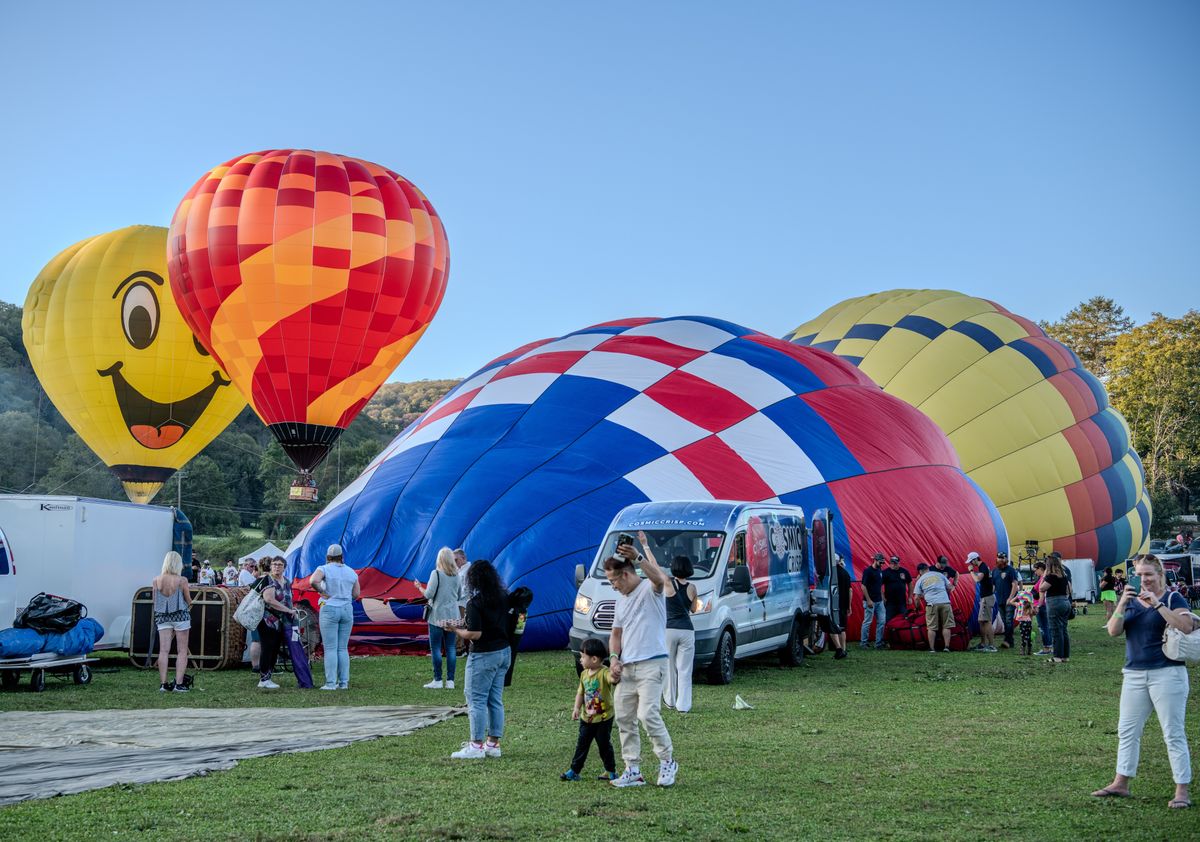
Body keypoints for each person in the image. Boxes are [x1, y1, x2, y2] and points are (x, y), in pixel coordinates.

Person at [1092, 555, 1196, 808]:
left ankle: (1181, 790)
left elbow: (1186, 626)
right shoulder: (1131, 601)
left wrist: (1158, 605)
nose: (1143, 579)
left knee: (1173, 733)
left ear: (1160, 574)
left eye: (1148, 574)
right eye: (1138, 574)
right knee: (1127, 731)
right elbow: (1113, 631)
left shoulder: (1173, 598)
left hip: (1167, 673)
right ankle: (1121, 782)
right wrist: (1121, 604)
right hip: (1134, 673)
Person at [606, 531, 678, 788]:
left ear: (626, 574)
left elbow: (661, 579)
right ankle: (632, 769)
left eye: (614, 581)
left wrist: (638, 555)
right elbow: (616, 634)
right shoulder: (620, 601)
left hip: (652, 663)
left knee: (648, 714)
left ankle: (667, 760)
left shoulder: (650, 590)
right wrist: (614, 658)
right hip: (627, 667)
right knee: (624, 717)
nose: (613, 586)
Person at [444, 560, 510, 759]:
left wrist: (455, 629)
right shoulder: (504, 597)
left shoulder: (475, 602)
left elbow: (475, 633)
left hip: (483, 655)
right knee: (494, 699)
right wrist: (460, 624)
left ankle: (476, 745)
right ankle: (493, 744)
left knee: (476, 699)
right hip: (504, 652)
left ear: (473, 580)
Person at [561, 637, 619, 782]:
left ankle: (611, 771)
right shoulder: (584, 674)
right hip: (586, 718)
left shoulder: (604, 672)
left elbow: (612, 679)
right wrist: (576, 708)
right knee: (582, 745)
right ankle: (574, 771)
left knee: (604, 745)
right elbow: (581, 693)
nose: (580, 660)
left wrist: (615, 673)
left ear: (594, 659)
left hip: (603, 718)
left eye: (583, 657)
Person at [310, 543, 360, 691]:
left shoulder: (323, 569)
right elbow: (356, 594)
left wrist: (321, 591)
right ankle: (343, 682)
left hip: (330, 607)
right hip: (346, 608)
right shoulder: (351, 572)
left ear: (327, 557)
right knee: (342, 648)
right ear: (342, 557)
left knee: (330, 648)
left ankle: (330, 683)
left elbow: (313, 581)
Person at [415, 547, 462, 689]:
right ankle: (450, 681)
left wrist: (419, 587)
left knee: (436, 648)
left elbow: (428, 594)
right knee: (451, 648)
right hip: (453, 615)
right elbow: (459, 596)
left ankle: (437, 680)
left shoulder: (436, 574)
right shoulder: (457, 576)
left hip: (437, 616)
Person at [254, 556, 298, 689]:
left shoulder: (287, 581)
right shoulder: (268, 580)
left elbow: (288, 598)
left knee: (275, 649)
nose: (276, 567)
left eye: (279, 565)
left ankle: (268, 676)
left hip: (281, 621)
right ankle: (264, 678)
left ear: (284, 567)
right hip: (268, 620)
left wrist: (292, 609)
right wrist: (288, 610)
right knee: (267, 648)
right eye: (274, 564)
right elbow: (269, 599)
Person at [152, 551, 192, 692]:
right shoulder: (182, 580)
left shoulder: (156, 580)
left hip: (163, 617)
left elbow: (155, 601)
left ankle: (163, 684)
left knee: (164, 650)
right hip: (180, 616)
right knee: (182, 651)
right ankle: (179, 684)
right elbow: (188, 600)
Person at [663, 555, 697, 711]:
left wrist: (646, 547)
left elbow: (655, 568)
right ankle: (684, 705)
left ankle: (669, 701)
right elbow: (694, 609)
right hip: (687, 630)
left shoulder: (669, 584)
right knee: (685, 669)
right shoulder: (692, 587)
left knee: (669, 667)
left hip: (669, 629)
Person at [914, 562, 953, 652]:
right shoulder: (939, 574)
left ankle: (932, 648)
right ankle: (946, 647)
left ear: (920, 571)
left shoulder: (920, 579)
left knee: (931, 627)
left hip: (931, 604)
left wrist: (917, 607)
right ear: (928, 569)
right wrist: (945, 594)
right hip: (945, 602)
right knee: (946, 625)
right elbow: (950, 587)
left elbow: (916, 598)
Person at [1039, 555, 1072, 663]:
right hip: (1065, 602)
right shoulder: (1063, 575)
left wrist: (1044, 575)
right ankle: (1065, 656)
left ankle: (1057, 656)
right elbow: (1069, 590)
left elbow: (1041, 588)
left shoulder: (1051, 576)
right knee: (1063, 630)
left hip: (1054, 603)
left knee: (1056, 631)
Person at [967, 551, 996, 652]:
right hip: (985, 597)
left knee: (987, 621)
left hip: (987, 597)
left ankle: (992, 645)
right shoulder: (983, 567)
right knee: (981, 621)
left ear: (975, 559)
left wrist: (971, 572)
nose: (971, 564)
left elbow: (977, 579)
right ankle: (983, 643)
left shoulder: (983, 567)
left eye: (971, 562)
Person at [991, 552, 1019, 649]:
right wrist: (991, 596)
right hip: (999, 600)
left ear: (1006, 559)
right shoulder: (994, 571)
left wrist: (1010, 598)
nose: (1001, 560)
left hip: (1009, 600)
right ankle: (1010, 641)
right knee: (1004, 621)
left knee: (1008, 620)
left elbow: (1015, 584)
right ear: (996, 559)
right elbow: (993, 585)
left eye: (1002, 558)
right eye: (999, 558)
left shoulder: (1010, 570)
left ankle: (1007, 640)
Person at [859, 553, 886, 649]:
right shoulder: (868, 571)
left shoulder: (879, 570)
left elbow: (879, 586)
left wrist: (882, 596)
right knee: (867, 622)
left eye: (883, 562)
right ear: (875, 560)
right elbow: (863, 586)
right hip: (870, 601)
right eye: (881, 562)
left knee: (882, 621)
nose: (882, 564)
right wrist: (869, 600)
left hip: (879, 601)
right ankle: (863, 643)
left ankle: (878, 643)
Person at [827, 555, 852, 659]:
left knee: (832, 627)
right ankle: (843, 649)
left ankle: (838, 649)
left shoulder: (830, 574)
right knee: (842, 628)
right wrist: (849, 605)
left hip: (833, 604)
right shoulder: (846, 573)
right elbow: (850, 591)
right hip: (843, 604)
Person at [881, 555, 912, 629]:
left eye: (895, 563)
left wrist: (910, 597)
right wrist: (883, 597)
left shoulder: (904, 571)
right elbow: (878, 586)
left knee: (904, 619)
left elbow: (910, 583)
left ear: (899, 563)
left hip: (902, 601)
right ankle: (890, 637)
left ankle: (903, 636)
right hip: (889, 602)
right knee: (888, 620)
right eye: (892, 563)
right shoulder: (885, 572)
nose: (893, 565)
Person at [1032, 561, 1053, 655]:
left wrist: (1038, 606)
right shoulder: (1041, 578)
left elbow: (1042, 594)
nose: (1035, 572)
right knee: (1045, 627)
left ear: (1041, 569)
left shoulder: (1043, 579)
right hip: (1041, 605)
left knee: (1043, 627)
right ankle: (1049, 646)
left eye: (1035, 570)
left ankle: (1046, 648)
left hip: (1041, 605)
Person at [1009, 585, 1035, 656]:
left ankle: (1023, 650)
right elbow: (1032, 614)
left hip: (1022, 622)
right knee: (1029, 636)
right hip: (1029, 622)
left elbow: (1010, 602)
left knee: (1023, 636)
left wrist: (1017, 596)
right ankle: (1029, 650)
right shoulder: (1029, 606)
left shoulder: (1019, 604)